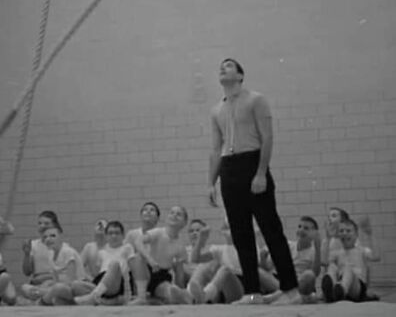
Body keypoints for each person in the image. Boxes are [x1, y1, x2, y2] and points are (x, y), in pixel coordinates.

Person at [207, 57, 300, 305]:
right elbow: (216, 149)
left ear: (240, 75)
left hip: (252, 163)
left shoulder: (256, 100)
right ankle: (252, 292)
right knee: (241, 234)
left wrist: (260, 172)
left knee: (271, 229)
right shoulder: (216, 109)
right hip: (229, 169)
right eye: (221, 66)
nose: (222, 67)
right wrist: (211, 182)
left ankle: (291, 290)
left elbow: (267, 138)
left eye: (228, 65)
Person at [129, 204, 189, 304]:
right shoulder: (158, 232)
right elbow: (138, 241)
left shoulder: (180, 246)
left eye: (178, 214)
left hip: (161, 276)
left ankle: (184, 297)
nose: (174, 215)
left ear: (184, 223)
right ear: (167, 218)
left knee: (171, 291)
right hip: (146, 271)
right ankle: (141, 297)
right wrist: (150, 259)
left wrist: (181, 289)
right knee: (138, 257)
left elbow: (179, 272)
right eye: (172, 213)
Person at [261, 216, 321, 303]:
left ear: (314, 234)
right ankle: (297, 297)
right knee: (257, 270)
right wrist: (263, 258)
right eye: (299, 227)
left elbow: (315, 273)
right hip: (280, 282)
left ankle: (275, 297)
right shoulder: (287, 245)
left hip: (299, 284)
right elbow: (267, 268)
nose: (301, 230)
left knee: (309, 275)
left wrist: (318, 247)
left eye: (306, 228)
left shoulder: (314, 251)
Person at [74, 220, 133, 305]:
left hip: (116, 282)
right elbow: (97, 273)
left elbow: (133, 271)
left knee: (114, 264)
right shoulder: (101, 252)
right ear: (106, 236)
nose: (114, 236)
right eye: (110, 233)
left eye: (117, 233)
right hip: (102, 283)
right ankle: (103, 300)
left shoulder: (127, 248)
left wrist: (129, 293)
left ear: (123, 235)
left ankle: (93, 297)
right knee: (76, 285)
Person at [322, 216, 380, 303]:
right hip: (340, 282)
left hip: (357, 288)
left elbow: (376, 256)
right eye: (341, 231)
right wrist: (328, 238)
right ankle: (330, 292)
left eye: (348, 231)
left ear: (356, 235)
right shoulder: (337, 253)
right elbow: (324, 262)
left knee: (347, 269)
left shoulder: (361, 251)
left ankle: (340, 291)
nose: (344, 233)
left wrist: (369, 235)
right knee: (332, 266)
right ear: (338, 235)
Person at [21, 210, 62, 296]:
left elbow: (62, 273)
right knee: (24, 287)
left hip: (53, 281)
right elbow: (27, 272)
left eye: (46, 223)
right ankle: (43, 294)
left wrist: (45, 278)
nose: (42, 226)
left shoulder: (60, 246)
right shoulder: (34, 245)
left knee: (54, 286)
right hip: (37, 282)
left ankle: (43, 294)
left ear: (54, 225)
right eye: (40, 223)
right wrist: (27, 254)